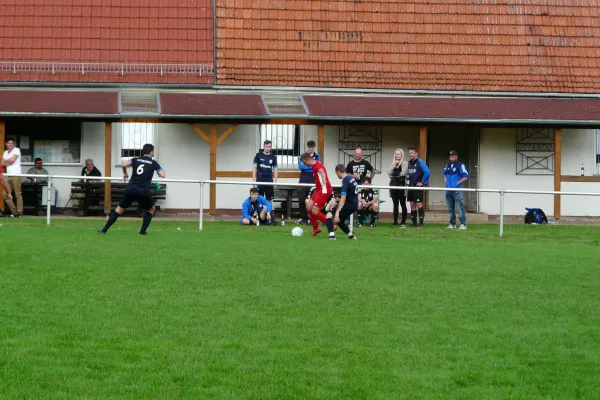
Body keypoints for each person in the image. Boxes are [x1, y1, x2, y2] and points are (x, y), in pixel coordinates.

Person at [99, 144, 165, 235]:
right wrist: (158, 172)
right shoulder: (154, 163)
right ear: (151, 152)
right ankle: (142, 232)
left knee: (119, 209)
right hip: (143, 191)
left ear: (143, 152)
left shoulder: (135, 159)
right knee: (151, 209)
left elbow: (124, 164)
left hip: (130, 189)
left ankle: (104, 230)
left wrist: (125, 173)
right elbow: (162, 175)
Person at [299, 152, 335, 238]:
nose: (304, 164)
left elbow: (322, 171)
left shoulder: (317, 165)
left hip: (324, 191)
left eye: (304, 162)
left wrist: (323, 178)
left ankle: (331, 225)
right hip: (319, 190)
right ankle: (316, 228)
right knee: (308, 207)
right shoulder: (315, 165)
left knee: (315, 211)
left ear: (308, 160)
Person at [329, 164, 358, 240]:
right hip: (354, 204)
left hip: (349, 205)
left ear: (338, 171)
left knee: (330, 215)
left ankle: (331, 236)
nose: (337, 175)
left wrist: (338, 212)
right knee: (339, 220)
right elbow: (351, 193)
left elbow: (343, 197)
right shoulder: (351, 178)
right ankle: (351, 236)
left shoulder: (345, 181)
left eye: (336, 174)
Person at [252, 139, 278, 224]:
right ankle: (258, 217)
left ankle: (269, 218)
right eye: (266, 146)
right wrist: (254, 179)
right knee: (258, 198)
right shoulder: (258, 155)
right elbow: (254, 168)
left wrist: (275, 181)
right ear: (264, 147)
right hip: (260, 180)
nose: (267, 148)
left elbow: (275, 169)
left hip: (269, 181)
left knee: (269, 200)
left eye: (269, 146)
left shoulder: (273, 157)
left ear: (271, 147)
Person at [444, 150, 469, 230]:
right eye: (450, 156)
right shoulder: (447, 165)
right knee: (450, 209)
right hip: (448, 190)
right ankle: (452, 224)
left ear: (456, 157)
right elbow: (444, 173)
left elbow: (465, 176)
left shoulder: (460, 165)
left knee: (460, 208)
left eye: (453, 156)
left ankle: (463, 224)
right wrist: (446, 181)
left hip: (457, 190)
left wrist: (457, 183)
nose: (451, 158)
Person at [297, 140, 321, 224]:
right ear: (307, 147)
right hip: (303, 179)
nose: (311, 149)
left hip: (313, 179)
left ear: (314, 147)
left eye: (312, 147)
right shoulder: (302, 156)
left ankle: (312, 217)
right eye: (309, 147)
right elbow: (301, 167)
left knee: (313, 199)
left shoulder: (317, 156)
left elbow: (318, 166)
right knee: (301, 199)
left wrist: (308, 166)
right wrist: (311, 166)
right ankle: (303, 218)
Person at [405, 147, 430, 227]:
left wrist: (423, 182)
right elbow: (407, 174)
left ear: (416, 153)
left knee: (419, 204)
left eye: (412, 153)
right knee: (412, 204)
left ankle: (421, 223)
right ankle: (414, 223)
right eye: (409, 153)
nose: (410, 155)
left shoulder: (420, 162)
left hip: (417, 187)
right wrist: (406, 179)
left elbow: (427, 172)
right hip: (410, 187)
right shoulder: (409, 163)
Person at [387, 148, 409, 227]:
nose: (397, 155)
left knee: (402, 203)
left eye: (398, 154)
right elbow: (388, 172)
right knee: (395, 204)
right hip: (393, 185)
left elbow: (403, 173)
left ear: (401, 155)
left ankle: (403, 222)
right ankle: (395, 221)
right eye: (396, 154)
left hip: (401, 185)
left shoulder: (405, 162)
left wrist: (394, 174)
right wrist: (394, 165)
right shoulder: (393, 163)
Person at [2, 138, 23, 217]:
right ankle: (14, 212)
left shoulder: (16, 150)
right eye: (9, 143)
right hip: (7, 176)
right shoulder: (5, 152)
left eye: (12, 143)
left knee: (18, 194)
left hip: (16, 175)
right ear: (6, 144)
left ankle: (20, 212)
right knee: (5, 194)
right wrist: (8, 161)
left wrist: (6, 161)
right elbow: (2, 164)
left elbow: (13, 160)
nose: (11, 145)